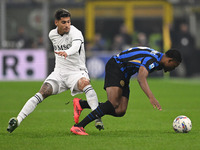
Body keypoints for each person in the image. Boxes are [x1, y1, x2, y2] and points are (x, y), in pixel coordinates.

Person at [7, 8, 103, 133]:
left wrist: (66, 52)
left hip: (76, 72)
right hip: (59, 73)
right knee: (43, 92)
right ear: (56, 22)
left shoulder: (76, 33)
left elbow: (75, 47)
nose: (67, 25)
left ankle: (97, 118)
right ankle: (17, 120)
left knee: (85, 84)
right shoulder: (52, 35)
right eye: (64, 22)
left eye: (68, 22)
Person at [70, 46, 182, 135]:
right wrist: (151, 97)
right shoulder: (153, 60)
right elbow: (141, 78)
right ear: (169, 60)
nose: (174, 68)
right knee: (113, 103)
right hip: (116, 67)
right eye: (174, 65)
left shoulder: (158, 59)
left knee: (120, 110)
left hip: (124, 74)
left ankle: (81, 104)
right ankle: (79, 126)